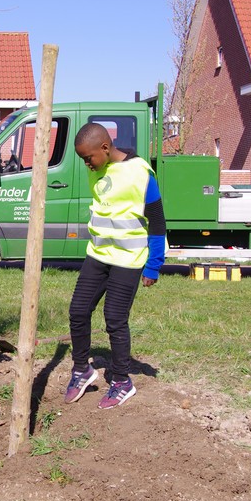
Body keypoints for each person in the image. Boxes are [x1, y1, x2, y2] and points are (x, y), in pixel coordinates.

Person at [65, 122, 166, 409]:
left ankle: (122, 381)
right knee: (78, 311)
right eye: (83, 159)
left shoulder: (140, 173)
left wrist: (153, 265)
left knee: (115, 319)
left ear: (105, 147)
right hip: (98, 254)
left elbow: (158, 222)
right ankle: (82, 370)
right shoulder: (96, 168)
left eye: (89, 158)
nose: (87, 164)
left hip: (128, 259)